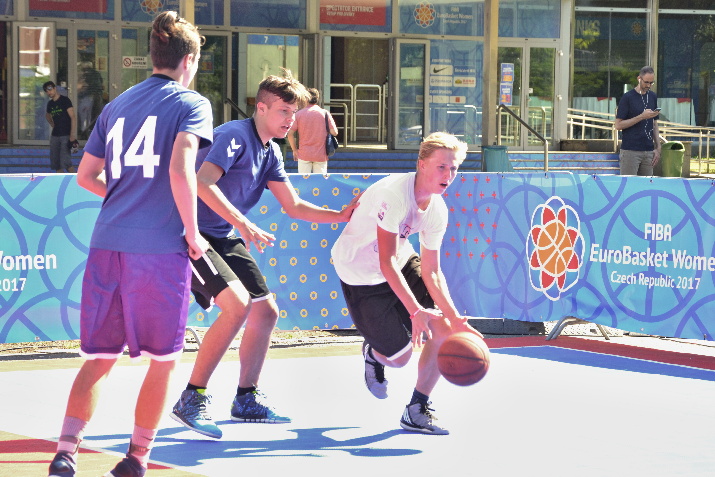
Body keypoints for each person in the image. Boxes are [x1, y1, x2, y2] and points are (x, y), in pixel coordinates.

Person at [48, 11, 212, 477]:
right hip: (158, 250)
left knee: (98, 358)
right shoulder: (192, 103)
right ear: (189, 59)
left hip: (107, 244)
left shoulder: (116, 105)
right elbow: (182, 170)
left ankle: (65, 452)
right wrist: (192, 230)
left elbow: (85, 176)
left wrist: (125, 194)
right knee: (164, 360)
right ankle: (137, 457)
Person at [169, 70, 359, 440]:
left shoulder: (271, 151)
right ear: (260, 107)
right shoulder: (234, 136)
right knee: (238, 307)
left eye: (294, 113)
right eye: (284, 111)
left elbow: (293, 205)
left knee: (265, 310)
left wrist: (340, 216)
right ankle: (191, 398)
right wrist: (243, 223)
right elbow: (202, 181)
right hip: (190, 233)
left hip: (222, 234)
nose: (291, 120)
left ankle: (245, 398)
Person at [331, 131, 481, 435]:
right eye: (441, 167)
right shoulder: (394, 195)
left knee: (443, 329)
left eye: (454, 168)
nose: (448, 175)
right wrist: (416, 312)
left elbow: (432, 271)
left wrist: (454, 319)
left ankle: (417, 408)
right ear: (421, 164)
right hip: (360, 272)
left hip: (399, 262)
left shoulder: (437, 209)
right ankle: (374, 353)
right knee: (398, 359)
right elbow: (383, 262)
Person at [615, 66, 661, 176]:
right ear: (639, 79)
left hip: (648, 150)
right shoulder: (628, 97)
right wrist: (641, 116)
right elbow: (618, 125)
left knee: (646, 187)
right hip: (631, 150)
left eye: (651, 83)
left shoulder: (652, 96)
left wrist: (658, 147)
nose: (649, 86)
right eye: (646, 82)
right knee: (629, 186)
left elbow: (654, 124)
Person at [286, 87, 338, 174]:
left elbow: (290, 134)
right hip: (320, 155)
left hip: (304, 154)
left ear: (305, 99)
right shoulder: (325, 113)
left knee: (304, 181)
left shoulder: (299, 114)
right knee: (320, 182)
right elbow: (335, 132)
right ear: (317, 99)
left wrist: (294, 150)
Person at [44, 80, 77, 173]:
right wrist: (52, 124)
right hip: (55, 135)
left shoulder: (65, 100)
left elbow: (73, 117)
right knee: (56, 163)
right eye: (46, 91)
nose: (49, 92)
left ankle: (75, 184)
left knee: (66, 162)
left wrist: (72, 135)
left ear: (55, 88)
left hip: (66, 134)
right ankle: (60, 185)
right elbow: (47, 115)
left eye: (50, 89)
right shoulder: (50, 104)